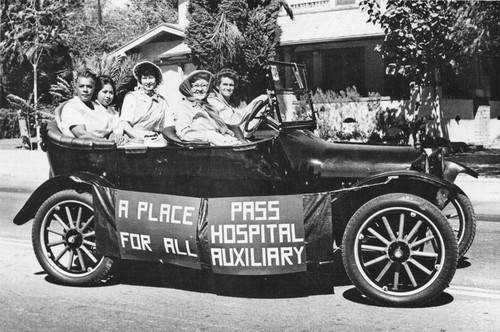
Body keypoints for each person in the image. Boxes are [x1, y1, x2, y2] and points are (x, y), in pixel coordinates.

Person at [175, 70, 243, 146]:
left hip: (218, 148)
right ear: (189, 88)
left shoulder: (209, 107)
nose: (200, 89)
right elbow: (184, 133)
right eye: (196, 86)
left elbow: (221, 130)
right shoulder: (184, 107)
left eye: (204, 86)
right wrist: (210, 136)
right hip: (199, 150)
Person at [59, 70, 122, 141]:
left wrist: (113, 137)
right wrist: (106, 142)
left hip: (101, 146)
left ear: (94, 88)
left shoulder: (97, 106)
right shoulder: (72, 106)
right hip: (80, 148)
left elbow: (109, 130)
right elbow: (81, 134)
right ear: (75, 86)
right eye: (81, 86)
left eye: (89, 86)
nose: (85, 90)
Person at [120, 61, 173, 143]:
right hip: (135, 139)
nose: (148, 82)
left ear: (156, 79)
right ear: (140, 80)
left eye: (151, 77)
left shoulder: (162, 101)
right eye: (144, 78)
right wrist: (139, 138)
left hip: (157, 139)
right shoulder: (132, 97)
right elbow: (124, 123)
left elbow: (168, 124)